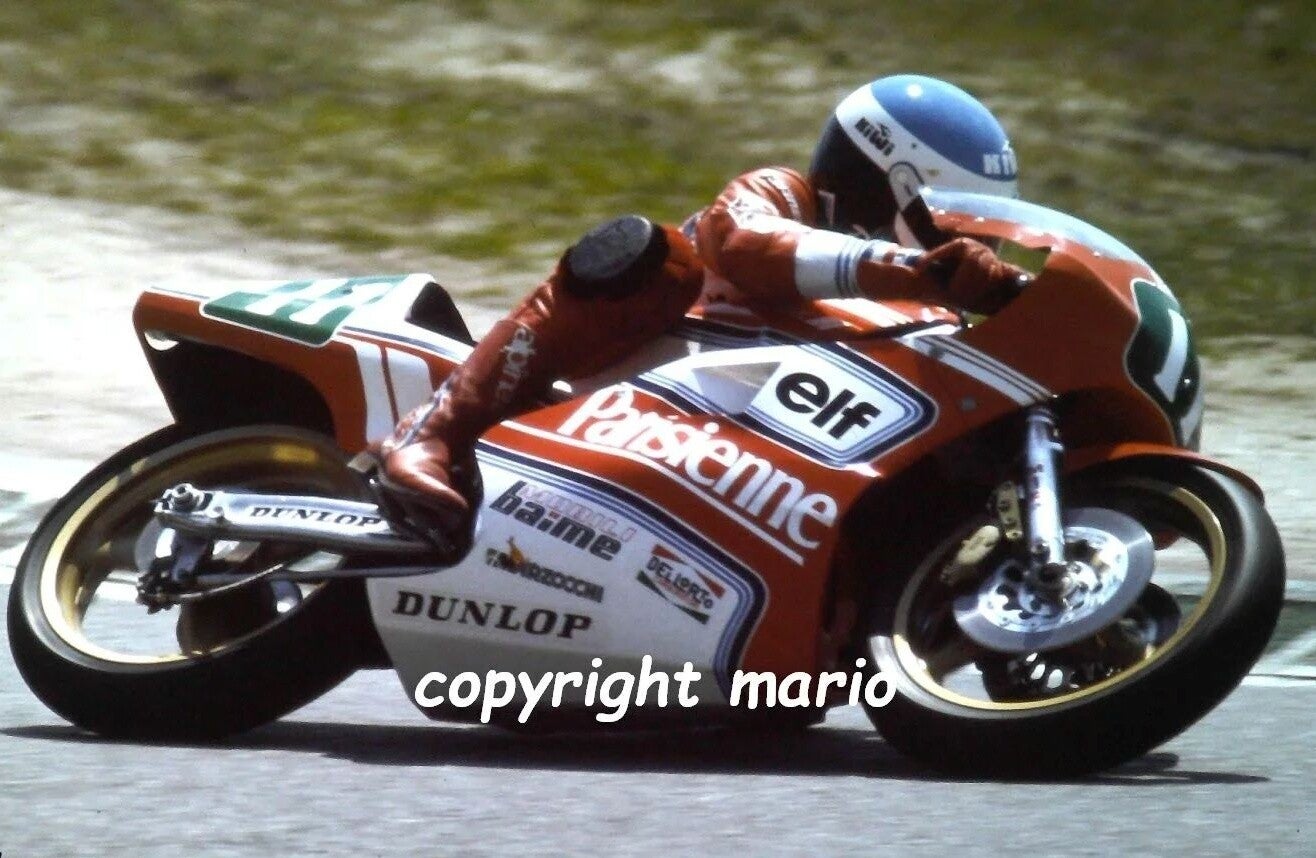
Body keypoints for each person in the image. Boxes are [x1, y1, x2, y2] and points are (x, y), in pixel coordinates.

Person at [372, 74, 1029, 557]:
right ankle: (433, 432)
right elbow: (738, 241)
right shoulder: (782, 197)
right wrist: (909, 267)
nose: (972, 247)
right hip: (608, 403)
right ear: (896, 186)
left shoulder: (929, 313)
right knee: (652, 255)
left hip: (760, 477)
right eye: (959, 224)